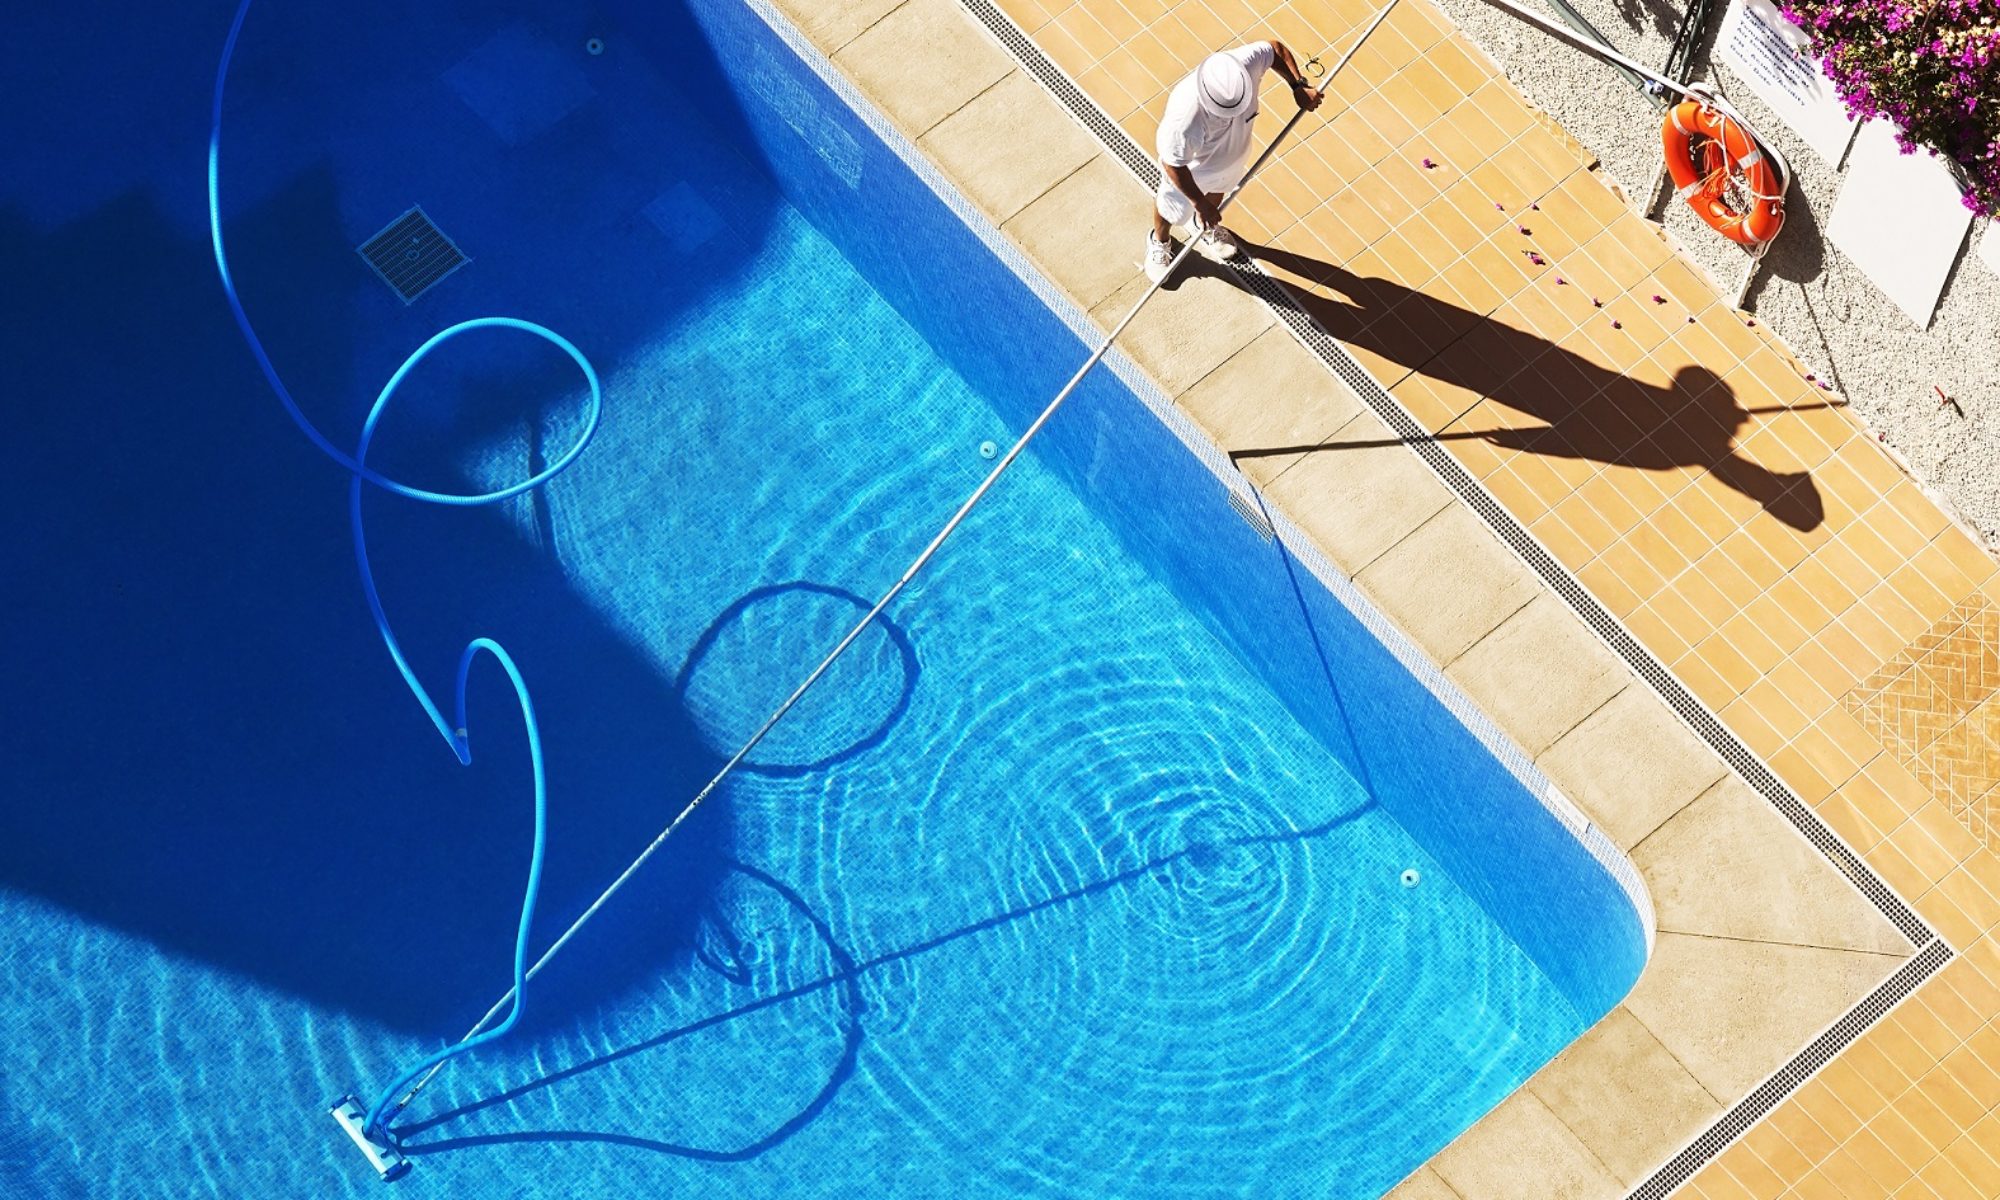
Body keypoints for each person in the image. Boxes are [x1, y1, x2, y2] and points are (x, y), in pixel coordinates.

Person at [1147, 41, 1323, 282]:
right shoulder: (1184, 120)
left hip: (1232, 157)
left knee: (1219, 191)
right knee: (1172, 211)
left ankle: (1206, 226)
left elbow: (1275, 50)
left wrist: (1298, 85)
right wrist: (1199, 202)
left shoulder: (1243, 65)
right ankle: (1160, 240)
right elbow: (1173, 164)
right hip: (1192, 172)